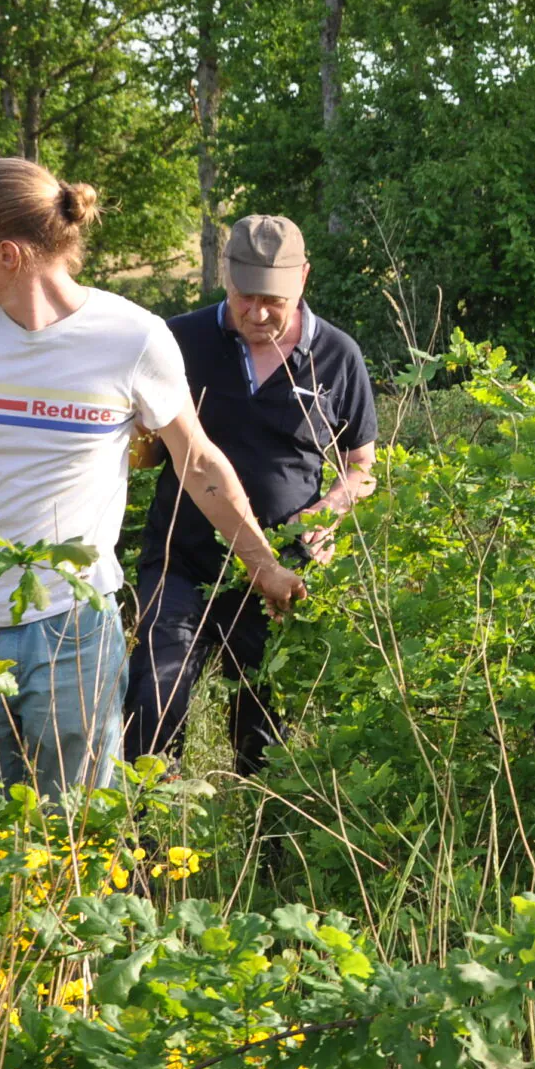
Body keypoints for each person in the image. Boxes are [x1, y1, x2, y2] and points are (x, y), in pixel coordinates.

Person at [0, 158, 303, 799]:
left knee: (73, 820)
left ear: (10, 255)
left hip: (75, 628)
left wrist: (262, 564)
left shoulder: (130, 338)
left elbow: (198, 461)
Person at [128, 215, 378, 776]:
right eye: (245, 297)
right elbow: (143, 449)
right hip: (182, 561)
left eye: (274, 300)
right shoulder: (176, 341)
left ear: (304, 279)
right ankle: (142, 853)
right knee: (153, 703)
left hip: (279, 580)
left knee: (263, 738)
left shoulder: (337, 356)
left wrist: (330, 509)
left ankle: (263, 856)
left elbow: (362, 467)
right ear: (224, 275)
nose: (258, 313)